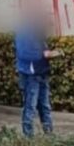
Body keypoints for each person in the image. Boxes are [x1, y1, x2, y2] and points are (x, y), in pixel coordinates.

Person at [14, 9, 58, 137]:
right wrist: (44, 54)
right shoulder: (24, 32)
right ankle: (28, 136)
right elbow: (23, 54)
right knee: (30, 106)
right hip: (31, 75)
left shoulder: (38, 33)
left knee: (45, 106)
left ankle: (48, 133)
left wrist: (48, 54)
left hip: (42, 72)